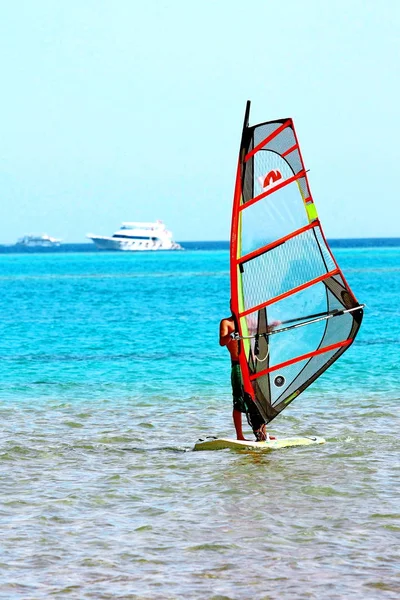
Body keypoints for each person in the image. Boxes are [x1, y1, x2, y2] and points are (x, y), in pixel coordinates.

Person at [219, 309, 268, 442]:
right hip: (238, 366)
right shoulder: (226, 323)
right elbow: (222, 342)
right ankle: (239, 435)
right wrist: (231, 335)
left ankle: (263, 433)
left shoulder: (248, 321)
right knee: (238, 400)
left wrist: (272, 325)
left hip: (251, 366)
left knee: (257, 399)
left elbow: (260, 330)